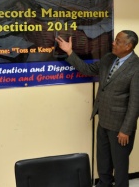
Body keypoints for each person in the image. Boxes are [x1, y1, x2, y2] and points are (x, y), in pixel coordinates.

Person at [56, 30, 139, 187]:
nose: (113, 43)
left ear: (128, 46)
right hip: (103, 121)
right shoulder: (109, 58)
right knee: (103, 161)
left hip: (120, 127)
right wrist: (69, 52)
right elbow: (88, 70)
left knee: (120, 167)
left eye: (118, 41)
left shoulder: (136, 67)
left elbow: (135, 103)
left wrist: (126, 130)